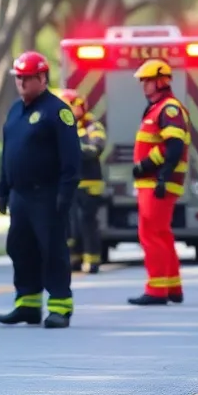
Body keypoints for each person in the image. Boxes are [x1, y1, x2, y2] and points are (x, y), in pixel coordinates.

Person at [0, 51, 82, 329]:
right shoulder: (14, 110)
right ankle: (28, 305)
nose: (20, 83)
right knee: (20, 249)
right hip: (20, 195)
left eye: (26, 78)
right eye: (18, 77)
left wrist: (65, 195)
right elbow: (8, 152)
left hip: (48, 195)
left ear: (42, 78)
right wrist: (3, 189)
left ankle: (60, 306)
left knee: (52, 250)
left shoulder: (58, 111)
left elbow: (71, 159)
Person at [128, 58, 190, 306]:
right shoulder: (159, 108)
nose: (144, 85)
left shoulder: (169, 109)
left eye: (148, 81)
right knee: (161, 234)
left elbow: (173, 146)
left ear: (161, 81)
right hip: (154, 181)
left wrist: (150, 167)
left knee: (150, 234)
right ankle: (172, 287)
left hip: (156, 182)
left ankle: (156, 290)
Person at [59, 88, 107, 274]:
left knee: (86, 222)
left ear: (79, 106)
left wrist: (73, 149)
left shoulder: (92, 127)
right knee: (70, 224)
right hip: (69, 183)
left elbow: (96, 148)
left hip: (89, 183)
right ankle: (74, 258)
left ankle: (92, 260)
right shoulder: (63, 127)